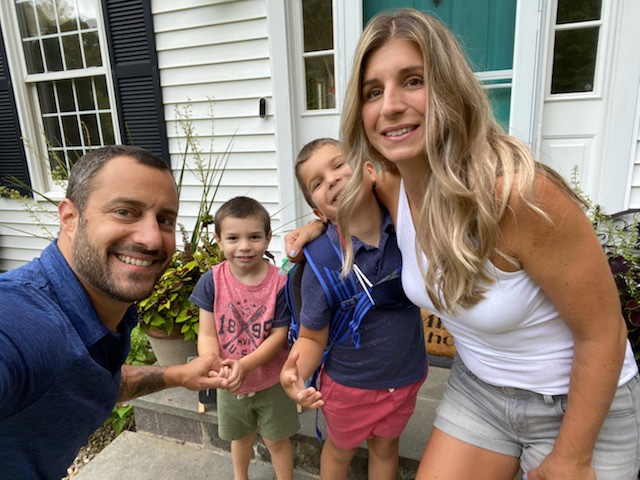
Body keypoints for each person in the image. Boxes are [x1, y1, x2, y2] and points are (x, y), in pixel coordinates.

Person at [286, 9, 640, 480]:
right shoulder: (392, 188)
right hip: (480, 392)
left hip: (576, 403)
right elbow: (341, 205)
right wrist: (310, 233)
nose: (390, 105)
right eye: (373, 91)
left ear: (449, 88)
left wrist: (572, 457)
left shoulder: (515, 195)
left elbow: (603, 333)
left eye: (413, 81)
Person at [0, 145, 229, 479]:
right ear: (70, 218)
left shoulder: (97, 313)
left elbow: (95, 381)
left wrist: (180, 375)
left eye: (164, 219)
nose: (152, 240)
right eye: (125, 212)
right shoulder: (24, 320)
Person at [280, 138, 427, 480]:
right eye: (317, 183)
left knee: (387, 448)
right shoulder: (321, 264)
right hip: (349, 388)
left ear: (369, 170)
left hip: (406, 378)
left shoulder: (409, 226)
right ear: (318, 212)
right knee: (339, 450)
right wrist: (296, 372)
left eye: (338, 164)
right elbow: (312, 338)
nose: (331, 178)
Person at [189, 196, 299, 480]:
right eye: (233, 238)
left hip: (273, 381)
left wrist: (246, 365)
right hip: (229, 383)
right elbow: (207, 332)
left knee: (277, 441)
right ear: (218, 240)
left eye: (254, 237)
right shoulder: (212, 281)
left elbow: (279, 336)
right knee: (240, 439)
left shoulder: (280, 283)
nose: (244, 246)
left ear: (268, 238)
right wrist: (212, 362)